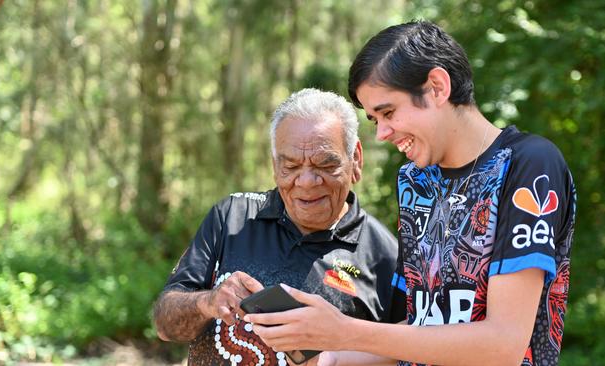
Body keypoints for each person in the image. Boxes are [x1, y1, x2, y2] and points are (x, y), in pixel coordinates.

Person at [245, 21, 577, 366]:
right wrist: (324, 356)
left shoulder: (529, 164)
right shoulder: (414, 180)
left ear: (437, 86)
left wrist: (344, 330)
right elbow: (422, 326)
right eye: (375, 120)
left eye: (388, 112)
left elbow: (504, 344)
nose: (382, 134)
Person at [153, 88, 400, 366]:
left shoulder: (386, 254)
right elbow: (165, 325)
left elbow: (411, 351)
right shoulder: (232, 217)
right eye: (291, 166)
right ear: (274, 164)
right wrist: (208, 302)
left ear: (355, 159)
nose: (306, 181)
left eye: (324, 164)